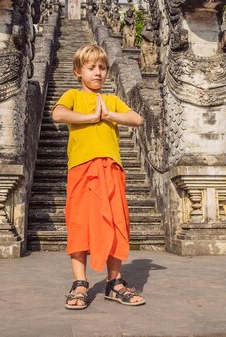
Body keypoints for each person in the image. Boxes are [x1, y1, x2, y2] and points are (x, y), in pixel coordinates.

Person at [51, 44, 146, 310]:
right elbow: (57, 114)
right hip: (81, 169)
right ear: (78, 71)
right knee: (80, 224)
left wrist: (108, 114)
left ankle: (114, 283)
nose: (98, 73)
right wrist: (90, 117)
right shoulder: (72, 95)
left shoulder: (112, 100)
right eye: (91, 68)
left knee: (116, 224)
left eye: (102, 68)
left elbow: (137, 119)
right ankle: (79, 283)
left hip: (111, 169)